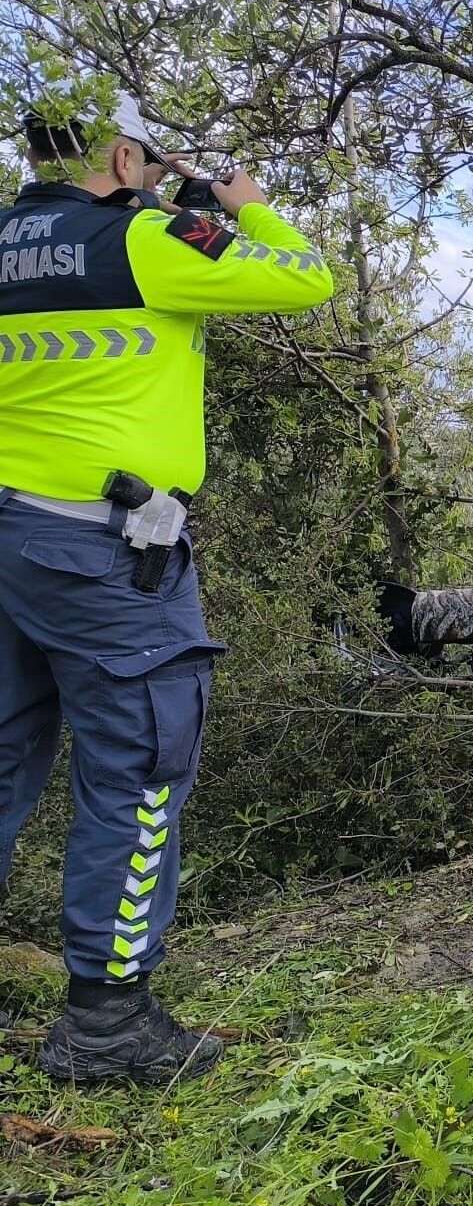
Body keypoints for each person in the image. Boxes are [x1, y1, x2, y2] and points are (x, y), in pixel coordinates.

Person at [0, 89, 335, 1083]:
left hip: (10, 537)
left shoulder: (8, 240)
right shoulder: (145, 241)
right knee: (143, 767)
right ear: (116, 148)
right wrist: (238, 200)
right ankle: (104, 1026)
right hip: (105, 557)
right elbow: (305, 278)